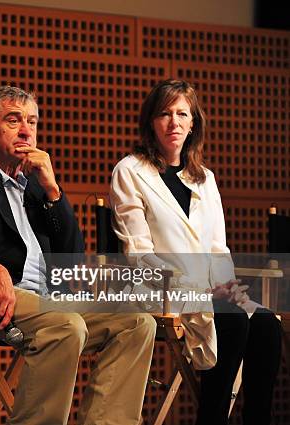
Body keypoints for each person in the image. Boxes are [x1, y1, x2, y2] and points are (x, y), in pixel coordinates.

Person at [0, 85, 157, 425]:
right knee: (65, 326)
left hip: (45, 296)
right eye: (13, 120)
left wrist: (53, 190)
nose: (26, 130)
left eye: (32, 121)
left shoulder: (33, 184)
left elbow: (71, 259)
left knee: (136, 322)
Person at [109, 79, 282, 425]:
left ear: (193, 124)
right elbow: (138, 253)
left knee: (266, 325)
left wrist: (225, 285)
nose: (173, 122)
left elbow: (218, 248)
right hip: (158, 289)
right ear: (151, 122)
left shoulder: (204, 178)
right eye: (164, 113)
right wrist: (204, 291)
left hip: (210, 291)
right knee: (231, 320)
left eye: (181, 114)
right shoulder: (129, 171)